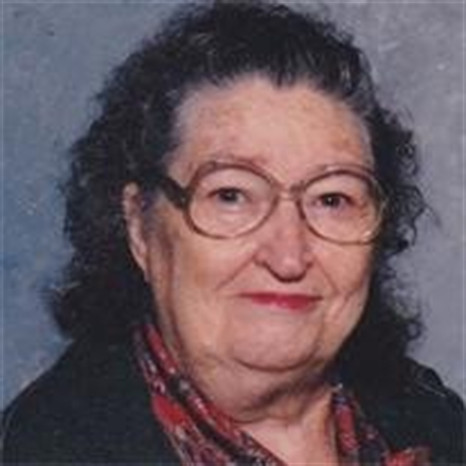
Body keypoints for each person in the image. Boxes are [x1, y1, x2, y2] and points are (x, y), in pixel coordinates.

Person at [2, 2, 464, 464]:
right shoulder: (45, 449)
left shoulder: (439, 424)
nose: (288, 256)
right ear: (140, 225)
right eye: (231, 195)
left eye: (332, 200)